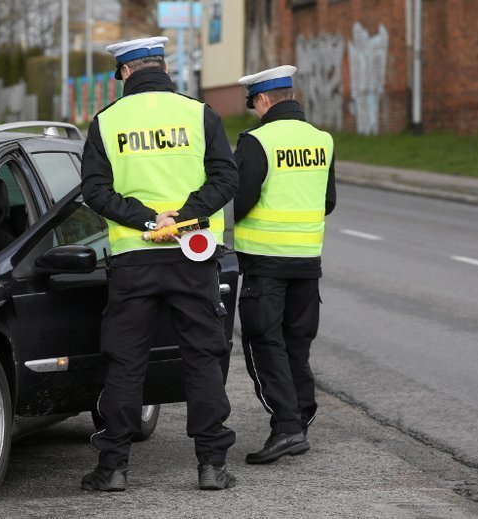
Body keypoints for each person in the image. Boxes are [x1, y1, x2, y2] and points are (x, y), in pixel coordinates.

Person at [80, 36, 239, 492]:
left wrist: (151, 220)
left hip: (134, 259)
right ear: (164, 68)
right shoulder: (199, 114)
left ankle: (113, 468)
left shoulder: (107, 122)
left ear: (125, 73)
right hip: (193, 256)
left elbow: (95, 190)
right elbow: (226, 176)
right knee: (202, 357)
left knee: (126, 361)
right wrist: (185, 217)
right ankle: (211, 465)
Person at [233, 65, 336, 465]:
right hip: (307, 264)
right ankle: (299, 418)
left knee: (264, 344)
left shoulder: (257, 141)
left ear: (261, 100)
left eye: (253, 104)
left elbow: (241, 202)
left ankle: (288, 428)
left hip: (265, 264)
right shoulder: (322, 140)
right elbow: (328, 202)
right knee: (297, 345)